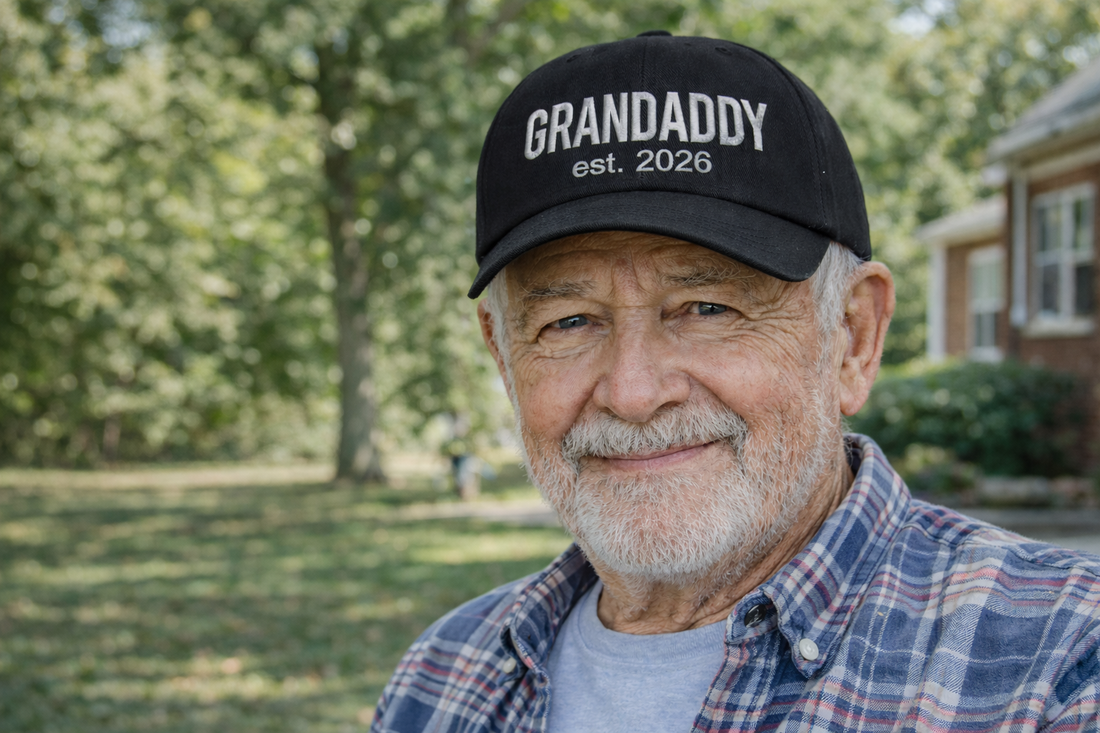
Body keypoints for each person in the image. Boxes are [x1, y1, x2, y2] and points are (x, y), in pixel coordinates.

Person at [371, 32, 1100, 732]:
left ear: (853, 336)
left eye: (706, 308)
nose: (632, 392)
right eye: (569, 321)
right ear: (502, 354)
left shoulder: (1058, 666)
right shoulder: (441, 678)